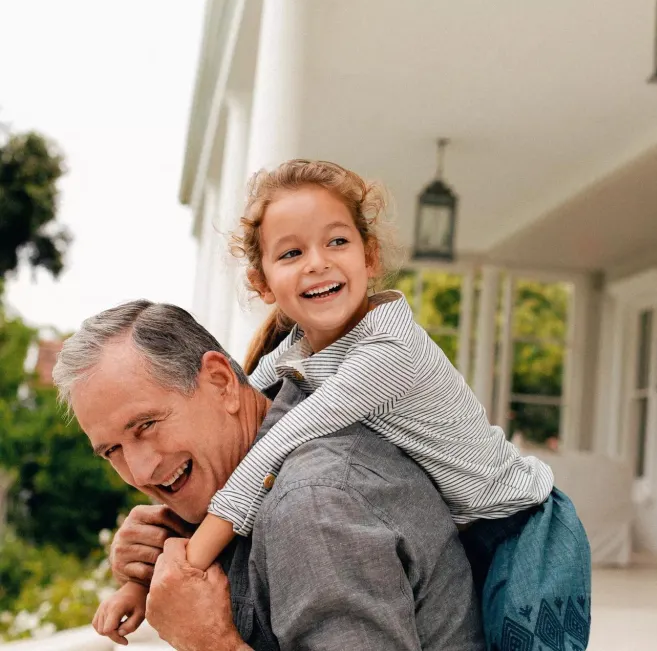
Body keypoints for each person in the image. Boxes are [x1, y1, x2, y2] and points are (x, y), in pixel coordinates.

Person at [97, 158, 592, 649]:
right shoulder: (296, 354)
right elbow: (239, 400)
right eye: (291, 253)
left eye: (337, 241)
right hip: (469, 528)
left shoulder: (387, 354)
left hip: (524, 530)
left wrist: (189, 566)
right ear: (262, 282)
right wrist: (146, 573)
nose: (318, 262)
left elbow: (274, 445)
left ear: (369, 256)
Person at [54, 300, 485, 650]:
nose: (142, 471)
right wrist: (150, 562)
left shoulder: (312, 505)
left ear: (222, 382)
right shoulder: (241, 472)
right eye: (113, 450)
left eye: (146, 425)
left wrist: (209, 642)